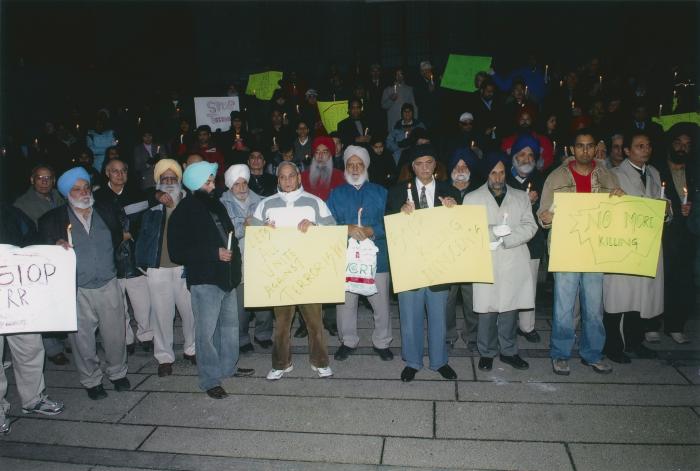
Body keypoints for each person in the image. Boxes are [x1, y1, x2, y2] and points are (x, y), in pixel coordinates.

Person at [38, 167, 131, 399]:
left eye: (86, 187)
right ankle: (91, 380)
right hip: (76, 288)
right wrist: (54, 242)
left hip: (108, 283)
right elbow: (41, 244)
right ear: (67, 193)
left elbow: (118, 237)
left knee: (115, 334)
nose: (83, 192)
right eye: (76, 189)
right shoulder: (53, 218)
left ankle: (118, 373)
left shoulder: (106, 211)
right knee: (82, 339)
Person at [538, 128, 624, 375]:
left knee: (594, 307)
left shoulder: (606, 176)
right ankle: (561, 353)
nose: (585, 150)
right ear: (572, 149)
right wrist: (545, 217)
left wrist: (620, 198)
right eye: (580, 146)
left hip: (595, 250)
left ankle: (592, 353)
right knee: (564, 307)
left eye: (589, 146)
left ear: (596, 148)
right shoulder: (556, 177)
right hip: (567, 249)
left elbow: (618, 215)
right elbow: (543, 212)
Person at [168, 161, 254, 399]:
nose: (212, 184)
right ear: (196, 184)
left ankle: (228, 368)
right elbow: (177, 252)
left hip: (226, 277)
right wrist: (213, 253)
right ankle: (209, 380)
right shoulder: (183, 211)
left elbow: (229, 237)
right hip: (205, 279)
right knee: (206, 334)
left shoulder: (215, 204)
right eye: (207, 181)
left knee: (229, 328)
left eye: (212, 180)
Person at [251, 161, 336, 380]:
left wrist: (315, 228)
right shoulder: (266, 204)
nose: (287, 181)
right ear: (277, 179)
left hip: (309, 273)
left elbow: (332, 230)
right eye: (282, 177)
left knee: (314, 322)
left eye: (291, 176)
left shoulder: (315, 203)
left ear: (299, 177)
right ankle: (281, 363)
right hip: (279, 275)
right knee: (281, 323)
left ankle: (320, 361)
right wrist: (263, 232)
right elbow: (253, 238)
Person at [386, 144, 460, 382]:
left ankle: (439, 361)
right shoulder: (398, 192)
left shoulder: (450, 192)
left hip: (439, 265)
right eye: (419, 163)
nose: (424, 168)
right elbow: (389, 226)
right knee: (410, 316)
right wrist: (399, 213)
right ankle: (413, 361)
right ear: (412, 167)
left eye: (429, 162)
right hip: (410, 264)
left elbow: (460, 230)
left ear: (435, 165)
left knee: (439, 316)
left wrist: (454, 210)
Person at [464, 151, 537, 371]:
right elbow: (468, 229)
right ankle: (486, 351)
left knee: (509, 307)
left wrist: (508, 239)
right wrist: (493, 231)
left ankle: (509, 351)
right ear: (487, 174)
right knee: (486, 309)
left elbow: (530, 225)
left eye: (502, 172)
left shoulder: (520, 196)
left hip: (513, 257)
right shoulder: (472, 198)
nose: (498, 177)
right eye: (493, 173)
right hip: (487, 258)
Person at [0, 207, 65, 434]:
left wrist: (52, 247)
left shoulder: (10, 212)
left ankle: (33, 398)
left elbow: (35, 238)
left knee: (30, 347)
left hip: (17, 293)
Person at [603, 131, 665, 363]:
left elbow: (661, 204)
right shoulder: (614, 175)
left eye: (648, 145)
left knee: (641, 297)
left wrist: (666, 211)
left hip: (647, 244)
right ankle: (613, 346)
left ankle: (634, 341)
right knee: (618, 298)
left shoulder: (655, 173)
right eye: (639, 146)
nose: (645, 149)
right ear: (627, 151)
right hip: (624, 245)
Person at [327, 146, 393, 361]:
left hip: (377, 259)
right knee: (346, 304)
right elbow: (328, 223)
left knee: (381, 303)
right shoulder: (336, 194)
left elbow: (391, 222)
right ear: (345, 167)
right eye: (350, 165)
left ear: (366, 166)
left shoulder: (381, 192)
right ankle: (348, 341)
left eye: (359, 164)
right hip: (346, 258)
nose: (355, 169)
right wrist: (346, 229)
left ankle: (382, 342)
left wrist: (372, 230)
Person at [135, 159, 196, 377]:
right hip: (158, 268)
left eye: (173, 178)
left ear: (180, 180)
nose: (169, 182)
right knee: (161, 315)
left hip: (184, 268)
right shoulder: (151, 205)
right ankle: (164, 357)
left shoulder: (190, 202)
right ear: (158, 183)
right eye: (164, 179)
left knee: (190, 312)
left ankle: (192, 349)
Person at [94, 159, 153, 355]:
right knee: (118, 308)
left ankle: (146, 336)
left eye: (123, 170)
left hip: (136, 260)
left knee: (143, 305)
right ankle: (126, 339)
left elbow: (146, 223)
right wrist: (120, 236)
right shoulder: (97, 198)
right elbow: (95, 231)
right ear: (107, 174)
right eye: (115, 171)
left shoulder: (137, 194)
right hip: (111, 262)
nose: (120, 175)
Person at [13, 164, 69, 364]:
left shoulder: (61, 197)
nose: (44, 182)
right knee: (46, 303)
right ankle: (53, 348)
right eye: (40, 178)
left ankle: (68, 337)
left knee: (64, 300)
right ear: (32, 180)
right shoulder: (22, 204)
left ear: (53, 180)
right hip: (40, 258)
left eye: (48, 178)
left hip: (63, 255)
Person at [219, 164, 273, 354]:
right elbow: (225, 233)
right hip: (238, 262)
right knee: (240, 306)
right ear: (229, 187)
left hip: (260, 260)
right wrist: (246, 226)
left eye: (244, 183)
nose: (242, 188)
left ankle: (263, 334)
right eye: (236, 184)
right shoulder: (222, 204)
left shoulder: (262, 202)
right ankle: (241, 338)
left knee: (264, 303)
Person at [652, 124, 696, 344]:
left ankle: (675, 325)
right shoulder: (656, 170)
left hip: (688, 235)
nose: (682, 148)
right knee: (659, 280)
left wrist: (693, 208)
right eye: (678, 143)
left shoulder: (695, 170)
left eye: (687, 145)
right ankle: (651, 325)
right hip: (662, 234)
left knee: (683, 281)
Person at [505, 135, 546, 343]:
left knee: (529, 284)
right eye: (522, 154)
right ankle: (506, 324)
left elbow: (548, 210)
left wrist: (536, 206)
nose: (526, 159)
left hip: (532, 242)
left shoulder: (541, 180)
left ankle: (527, 326)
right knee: (508, 283)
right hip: (509, 242)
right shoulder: (502, 178)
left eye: (531, 155)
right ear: (514, 157)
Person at [444, 148, 481, 349]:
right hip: (447, 255)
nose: (460, 169)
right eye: (457, 166)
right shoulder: (440, 191)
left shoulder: (479, 191)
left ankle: (472, 335)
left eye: (465, 166)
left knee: (471, 298)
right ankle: (448, 334)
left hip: (471, 254)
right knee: (447, 299)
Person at [300, 136, 345, 202]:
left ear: (330, 154)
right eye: (317, 152)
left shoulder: (339, 176)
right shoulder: (303, 176)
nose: (320, 156)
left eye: (324, 152)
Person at [381, 67, 417, 132]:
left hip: (407, 124)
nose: (399, 76)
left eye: (401, 74)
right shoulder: (387, 89)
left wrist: (415, 121)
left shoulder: (409, 89)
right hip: (393, 124)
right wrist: (391, 99)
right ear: (394, 76)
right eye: (397, 74)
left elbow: (414, 106)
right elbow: (384, 106)